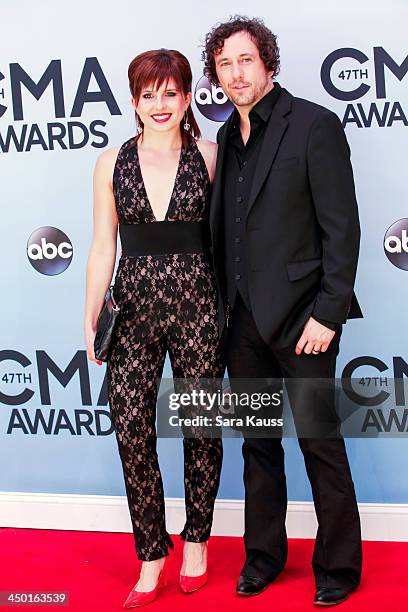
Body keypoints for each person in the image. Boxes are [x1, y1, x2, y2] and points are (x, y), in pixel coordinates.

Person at [203, 16, 363, 606]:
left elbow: (342, 232)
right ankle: (264, 557)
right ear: (215, 75)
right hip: (241, 321)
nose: (235, 73)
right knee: (258, 447)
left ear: (268, 63)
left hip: (305, 322)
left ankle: (339, 569)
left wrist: (329, 313)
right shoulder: (224, 138)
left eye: (245, 60)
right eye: (224, 64)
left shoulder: (314, 126)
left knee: (320, 441)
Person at [84, 48, 224, 607]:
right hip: (133, 309)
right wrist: (91, 315)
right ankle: (150, 551)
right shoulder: (109, 162)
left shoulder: (211, 156)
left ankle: (196, 541)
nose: (159, 104)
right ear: (135, 101)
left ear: (187, 96)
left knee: (201, 428)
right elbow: (101, 245)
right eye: (148, 94)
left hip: (199, 307)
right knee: (132, 430)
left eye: (170, 92)